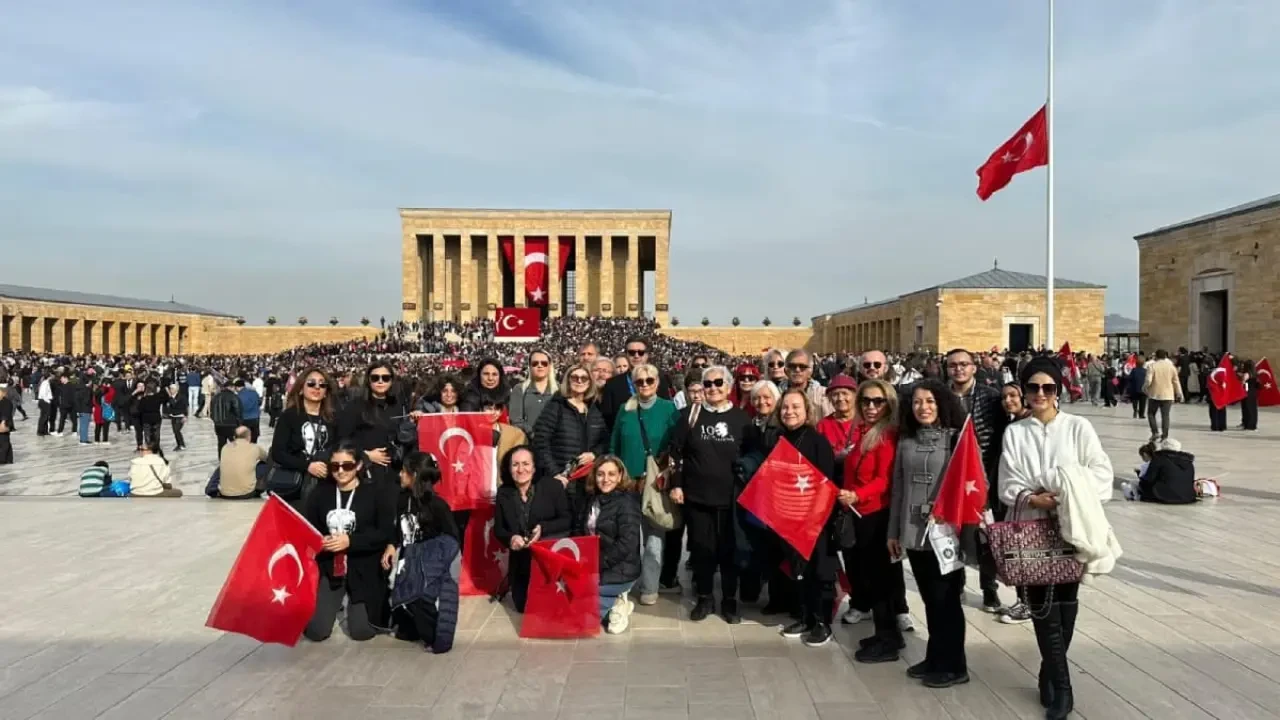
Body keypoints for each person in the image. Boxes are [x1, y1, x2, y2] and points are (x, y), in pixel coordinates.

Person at [999, 357, 1117, 719]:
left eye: (1047, 388)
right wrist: (1034, 497)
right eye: (1032, 388)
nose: (1040, 394)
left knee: (1066, 600)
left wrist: (1062, 485)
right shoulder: (1016, 432)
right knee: (1041, 605)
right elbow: (1008, 482)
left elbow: (1100, 472)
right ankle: (1063, 688)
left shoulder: (1078, 427)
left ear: (1058, 391)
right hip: (1033, 525)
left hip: (1071, 524)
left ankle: (1050, 672)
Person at [887, 379, 968, 688]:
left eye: (930, 401)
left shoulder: (956, 441)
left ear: (942, 404)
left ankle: (954, 664)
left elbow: (971, 484)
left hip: (945, 533)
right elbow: (898, 489)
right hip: (914, 530)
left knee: (947, 599)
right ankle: (936, 656)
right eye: (918, 402)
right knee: (930, 600)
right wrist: (894, 532)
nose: (924, 407)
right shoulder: (906, 441)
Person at [668, 365, 752, 625]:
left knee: (729, 552)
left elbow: (752, 456)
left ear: (728, 387)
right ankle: (705, 597)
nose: (713, 388)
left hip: (731, 499)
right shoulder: (691, 415)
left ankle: (729, 600)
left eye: (718, 383)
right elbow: (675, 452)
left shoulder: (741, 419)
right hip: (698, 498)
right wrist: (677, 484)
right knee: (702, 551)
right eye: (708, 384)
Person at [839, 378, 905, 662]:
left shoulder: (887, 435)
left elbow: (885, 480)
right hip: (863, 513)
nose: (870, 406)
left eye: (877, 401)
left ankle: (888, 640)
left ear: (888, 404)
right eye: (865, 401)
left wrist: (857, 495)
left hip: (876, 514)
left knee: (881, 579)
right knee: (875, 578)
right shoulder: (865, 431)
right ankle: (885, 633)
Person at [303, 442, 397, 642]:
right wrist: (321, 540)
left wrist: (351, 541)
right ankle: (330, 602)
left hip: (363, 566)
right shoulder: (320, 494)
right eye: (334, 466)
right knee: (316, 632)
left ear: (358, 466)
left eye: (347, 466)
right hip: (330, 566)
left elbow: (384, 532)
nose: (340, 471)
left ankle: (374, 601)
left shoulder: (375, 493)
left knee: (362, 632)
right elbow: (309, 528)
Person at [944, 348, 1010, 614]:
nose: (958, 369)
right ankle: (956, 584)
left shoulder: (991, 397)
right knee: (953, 533)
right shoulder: (941, 396)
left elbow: (1002, 436)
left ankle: (989, 588)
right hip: (949, 475)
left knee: (985, 535)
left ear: (973, 367)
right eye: (953, 365)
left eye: (963, 364)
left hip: (982, 475)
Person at [609, 363, 679, 605]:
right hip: (628, 483)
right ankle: (626, 582)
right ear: (634, 384)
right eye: (640, 382)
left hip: (655, 483)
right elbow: (614, 446)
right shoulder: (625, 410)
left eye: (649, 380)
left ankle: (649, 586)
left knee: (654, 539)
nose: (645, 385)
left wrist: (670, 471)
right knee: (627, 537)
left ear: (657, 383)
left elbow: (678, 446)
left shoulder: (669, 409)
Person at [382, 452, 461, 651]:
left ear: (414, 475)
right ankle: (408, 630)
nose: (400, 475)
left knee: (421, 600)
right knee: (403, 600)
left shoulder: (437, 506)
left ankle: (435, 638)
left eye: (404, 471)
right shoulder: (401, 500)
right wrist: (392, 545)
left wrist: (433, 564)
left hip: (429, 565)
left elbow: (452, 540)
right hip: (406, 560)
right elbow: (397, 529)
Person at [494, 445, 573, 613]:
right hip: (521, 561)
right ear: (509, 468)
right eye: (515, 464)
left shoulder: (553, 487)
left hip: (550, 557)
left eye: (526, 464)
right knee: (523, 607)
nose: (521, 469)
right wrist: (511, 538)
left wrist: (543, 528)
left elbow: (568, 520)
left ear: (535, 467)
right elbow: (499, 529)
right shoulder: (503, 493)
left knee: (550, 605)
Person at [531, 363, 608, 531]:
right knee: (564, 527)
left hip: (587, 480)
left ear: (590, 382)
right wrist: (555, 473)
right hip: (563, 479)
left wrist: (594, 454)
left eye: (583, 378)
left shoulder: (594, 409)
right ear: (568, 380)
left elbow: (605, 440)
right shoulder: (556, 406)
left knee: (584, 527)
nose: (579, 381)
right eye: (575, 377)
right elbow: (540, 442)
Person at [585, 455, 643, 634]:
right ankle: (611, 601)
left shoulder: (627, 503)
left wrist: (599, 564)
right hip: (596, 565)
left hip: (620, 568)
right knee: (571, 594)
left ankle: (618, 603)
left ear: (620, 476)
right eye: (600, 474)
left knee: (584, 613)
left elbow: (628, 543)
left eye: (611, 474)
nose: (605, 479)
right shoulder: (591, 499)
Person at [270, 366, 337, 506]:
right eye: (311, 383)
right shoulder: (289, 416)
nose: (317, 387)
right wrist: (307, 466)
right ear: (301, 389)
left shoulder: (333, 419)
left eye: (322, 384)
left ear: (326, 392)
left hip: (326, 486)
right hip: (295, 487)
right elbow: (278, 452)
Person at [338, 364, 411, 486]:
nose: (380, 381)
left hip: (393, 471)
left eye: (385, 378)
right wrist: (365, 455)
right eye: (375, 378)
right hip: (365, 471)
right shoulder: (355, 405)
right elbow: (342, 439)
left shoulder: (398, 404)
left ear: (392, 381)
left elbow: (403, 435)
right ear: (368, 380)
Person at [599, 337, 673, 432]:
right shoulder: (612, 384)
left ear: (647, 355)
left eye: (641, 352)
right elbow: (608, 418)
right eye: (631, 352)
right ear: (626, 355)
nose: (636, 356)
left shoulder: (660, 380)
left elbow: (666, 413)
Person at [1124, 438, 1196, 504]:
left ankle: (1130, 493)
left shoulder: (1159, 459)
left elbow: (1148, 479)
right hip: (1188, 497)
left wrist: (1141, 481)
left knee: (1135, 486)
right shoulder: (1188, 462)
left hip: (1164, 496)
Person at [509, 350, 557, 438]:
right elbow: (516, 420)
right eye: (535, 363)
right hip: (527, 443)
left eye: (544, 363)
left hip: (555, 443)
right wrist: (533, 434)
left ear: (550, 366)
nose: (540, 366)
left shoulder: (559, 389)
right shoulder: (520, 389)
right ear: (530, 367)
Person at [215, 426, 266, 499]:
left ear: (234, 437)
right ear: (249, 437)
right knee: (263, 465)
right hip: (246, 493)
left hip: (224, 493)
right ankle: (259, 488)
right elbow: (267, 459)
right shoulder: (255, 448)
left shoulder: (225, 447)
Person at [779, 349, 833, 418]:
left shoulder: (823, 395)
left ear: (810, 371)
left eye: (802, 366)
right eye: (792, 366)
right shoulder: (776, 394)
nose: (797, 370)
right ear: (785, 371)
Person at [1142, 349, 1182, 441]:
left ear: (1156, 356)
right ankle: (1165, 436)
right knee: (1165, 416)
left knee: (1151, 413)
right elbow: (1176, 381)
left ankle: (1155, 432)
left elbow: (1148, 380)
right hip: (1168, 395)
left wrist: (1144, 387)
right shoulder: (1171, 367)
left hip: (1154, 394)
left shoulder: (1152, 366)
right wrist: (1179, 393)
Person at [209, 381, 243, 456]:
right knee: (234, 444)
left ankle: (222, 461)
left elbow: (211, 412)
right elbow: (238, 411)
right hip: (231, 425)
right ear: (231, 387)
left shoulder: (215, 397)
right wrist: (240, 424)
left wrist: (215, 420)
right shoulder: (233, 397)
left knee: (221, 444)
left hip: (219, 425)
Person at [134, 381, 166, 451]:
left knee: (147, 433)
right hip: (156, 417)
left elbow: (140, 409)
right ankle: (156, 445)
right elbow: (165, 399)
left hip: (146, 418)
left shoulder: (144, 399)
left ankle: (149, 445)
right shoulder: (158, 397)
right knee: (156, 433)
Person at [162, 383, 189, 452]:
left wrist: (186, 416)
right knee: (175, 431)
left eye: (172, 388)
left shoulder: (181, 397)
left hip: (180, 416)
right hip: (173, 416)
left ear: (176, 389)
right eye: (170, 388)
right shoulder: (169, 397)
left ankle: (182, 444)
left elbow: (182, 405)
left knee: (177, 430)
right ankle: (179, 444)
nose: (171, 390)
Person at [236, 378, 263, 443]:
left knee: (244, 437)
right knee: (254, 437)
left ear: (237, 387)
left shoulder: (238, 395)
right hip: (255, 417)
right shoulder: (254, 392)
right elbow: (259, 402)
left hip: (244, 418)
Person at [92, 380, 116, 445]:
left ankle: (96, 440)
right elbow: (112, 393)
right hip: (105, 411)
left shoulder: (96, 392)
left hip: (97, 411)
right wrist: (108, 387)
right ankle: (105, 440)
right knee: (105, 427)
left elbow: (93, 401)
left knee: (97, 426)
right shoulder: (107, 394)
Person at [1240, 359, 1260, 431]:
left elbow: (1243, 384)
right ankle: (1253, 425)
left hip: (1247, 393)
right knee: (1253, 410)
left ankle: (1248, 425)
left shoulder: (1246, 374)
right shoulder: (1255, 374)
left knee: (1247, 409)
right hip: (1253, 393)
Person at [0, 374, 13, 464]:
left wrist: (3, 422)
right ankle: (8, 459)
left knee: (4, 442)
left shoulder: (6, 402)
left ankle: (4, 459)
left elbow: (6, 413)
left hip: (3, 424)